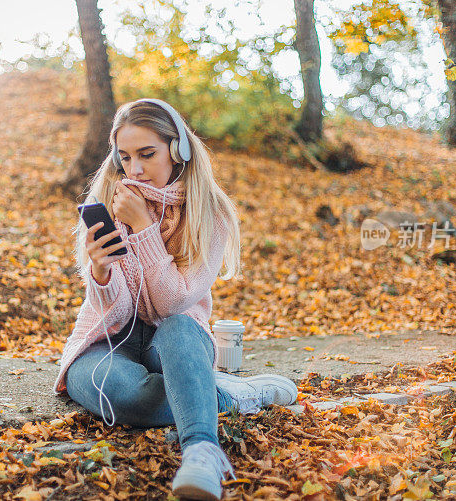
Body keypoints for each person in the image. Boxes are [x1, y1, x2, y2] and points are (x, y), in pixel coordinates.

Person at [53, 99, 298, 500]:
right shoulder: (107, 201)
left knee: (179, 327)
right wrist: (99, 273)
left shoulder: (209, 213)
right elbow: (110, 310)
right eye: (126, 157)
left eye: (147, 154)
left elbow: (172, 305)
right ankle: (224, 394)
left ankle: (202, 451)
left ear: (178, 149)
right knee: (129, 398)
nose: (134, 169)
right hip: (108, 339)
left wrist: (145, 228)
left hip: (177, 336)